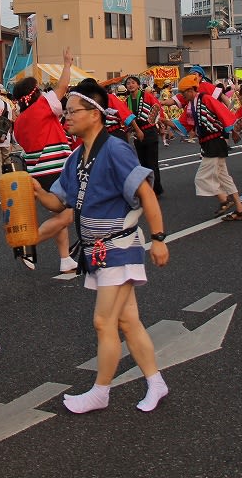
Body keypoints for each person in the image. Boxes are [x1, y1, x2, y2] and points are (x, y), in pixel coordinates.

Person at [30, 79, 170, 414]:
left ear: (95, 114)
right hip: (98, 249)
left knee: (103, 322)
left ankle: (100, 391)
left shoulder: (116, 149)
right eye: (65, 112)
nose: (66, 118)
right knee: (127, 322)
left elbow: (146, 192)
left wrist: (159, 239)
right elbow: (58, 203)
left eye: (72, 112)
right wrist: (36, 192)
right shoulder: (77, 156)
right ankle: (156, 382)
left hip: (118, 246)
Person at [11, 48, 79, 273]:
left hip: (37, 172)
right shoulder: (41, 107)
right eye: (38, 90)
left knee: (59, 214)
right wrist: (67, 64)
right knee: (70, 213)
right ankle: (29, 241)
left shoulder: (19, 121)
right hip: (57, 167)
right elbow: (62, 88)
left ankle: (65, 258)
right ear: (34, 93)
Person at [176, 74, 242, 221]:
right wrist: (163, 121)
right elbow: (183, 124)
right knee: (224, 177)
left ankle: (224, 200)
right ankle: (240, 209)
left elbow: (224, 113)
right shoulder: (192, 105)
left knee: (201, 178)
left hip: (214, 141)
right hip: (209, 142)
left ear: (191, 90)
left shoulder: (206, 99)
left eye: (183, 92)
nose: (182, 96)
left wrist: (232, 130)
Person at [123, 75, 163, 195]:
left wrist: (161, 124)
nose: (130, 85)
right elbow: (126, 118)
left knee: (152, 163)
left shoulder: (147, 96)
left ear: (138, 85)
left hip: (149, 132)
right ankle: (148, 189)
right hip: (137, 134)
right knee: (143, 163)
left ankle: (156, 189)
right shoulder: (126, 101)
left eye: (133, 83)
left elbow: (157, 108)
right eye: (128, 83)